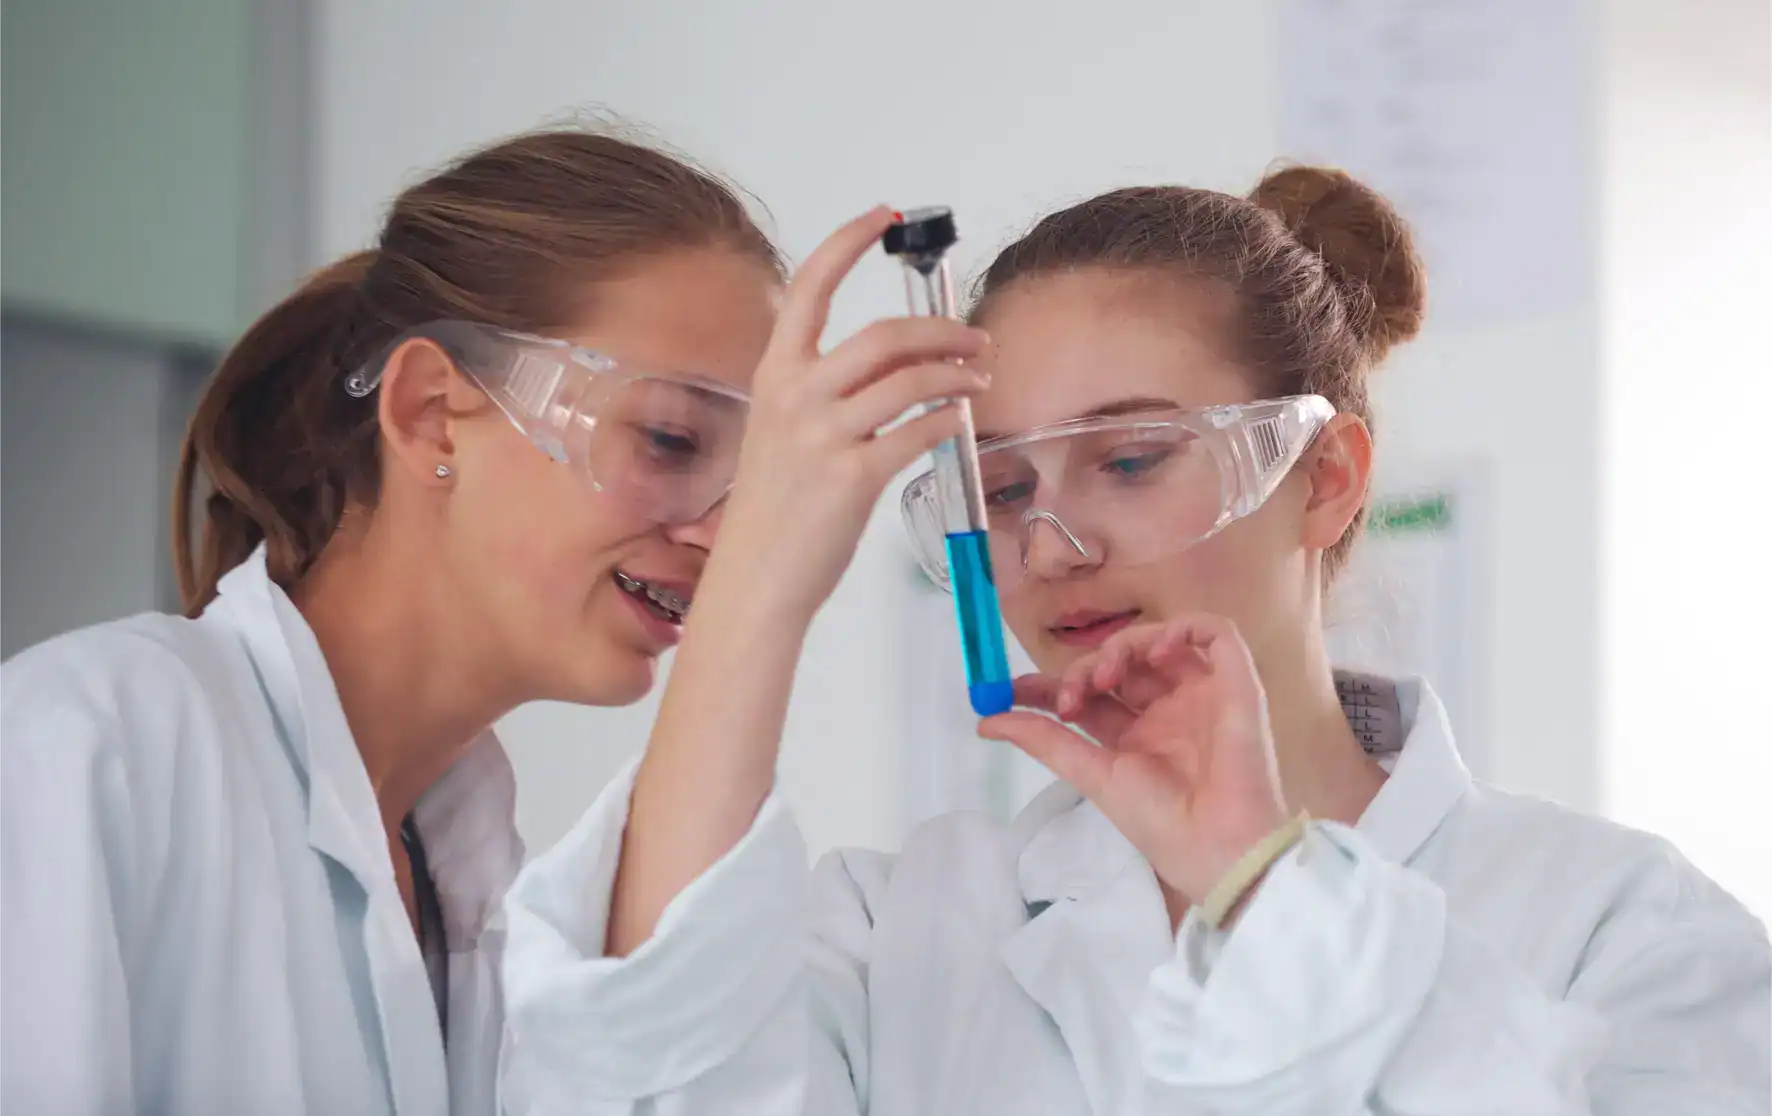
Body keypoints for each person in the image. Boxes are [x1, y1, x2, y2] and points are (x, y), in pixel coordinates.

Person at [498, 166, 1772, 1114]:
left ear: (1324, 479)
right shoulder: (905, 930)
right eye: (999, 492)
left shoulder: (1617, 925)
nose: (1051, 546)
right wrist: (756, 592)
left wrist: (1262, 879)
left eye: (1129, 459)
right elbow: (638, 1073)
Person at [0, 126, 986, 1114]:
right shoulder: (83, 743)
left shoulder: (491, 903)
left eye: (747, 478)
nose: (720, 539)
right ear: (432, 410)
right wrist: (763, 590)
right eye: (670, 438)